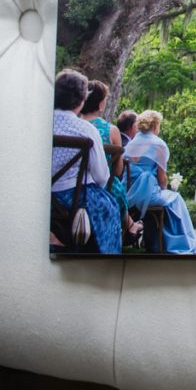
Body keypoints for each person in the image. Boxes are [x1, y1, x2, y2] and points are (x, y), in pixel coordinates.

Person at [51, 69, 121, 254]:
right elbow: (101, 175)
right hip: (76, 196)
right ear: (82, 100)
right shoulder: (86, 129)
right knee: (109, 208)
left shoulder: (41, 121)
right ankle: (106, 263)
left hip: (41, 194)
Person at [123, 110, 196, 254]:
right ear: (156, 125)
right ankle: (174, 243)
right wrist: (163, 188)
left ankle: (152, 240)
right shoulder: (158, 144)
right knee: (176, 199)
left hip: (128, 193)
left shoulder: (130, 144)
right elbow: (162, 178)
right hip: (149, 194)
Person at [80, 80, 143, 243]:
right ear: (101, 104)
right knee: (116, 186)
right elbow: (118, 170)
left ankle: (130, 226)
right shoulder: (111, 130)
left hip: (72, 184)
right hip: (103, 186)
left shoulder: (74, 126)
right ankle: (129, 227)